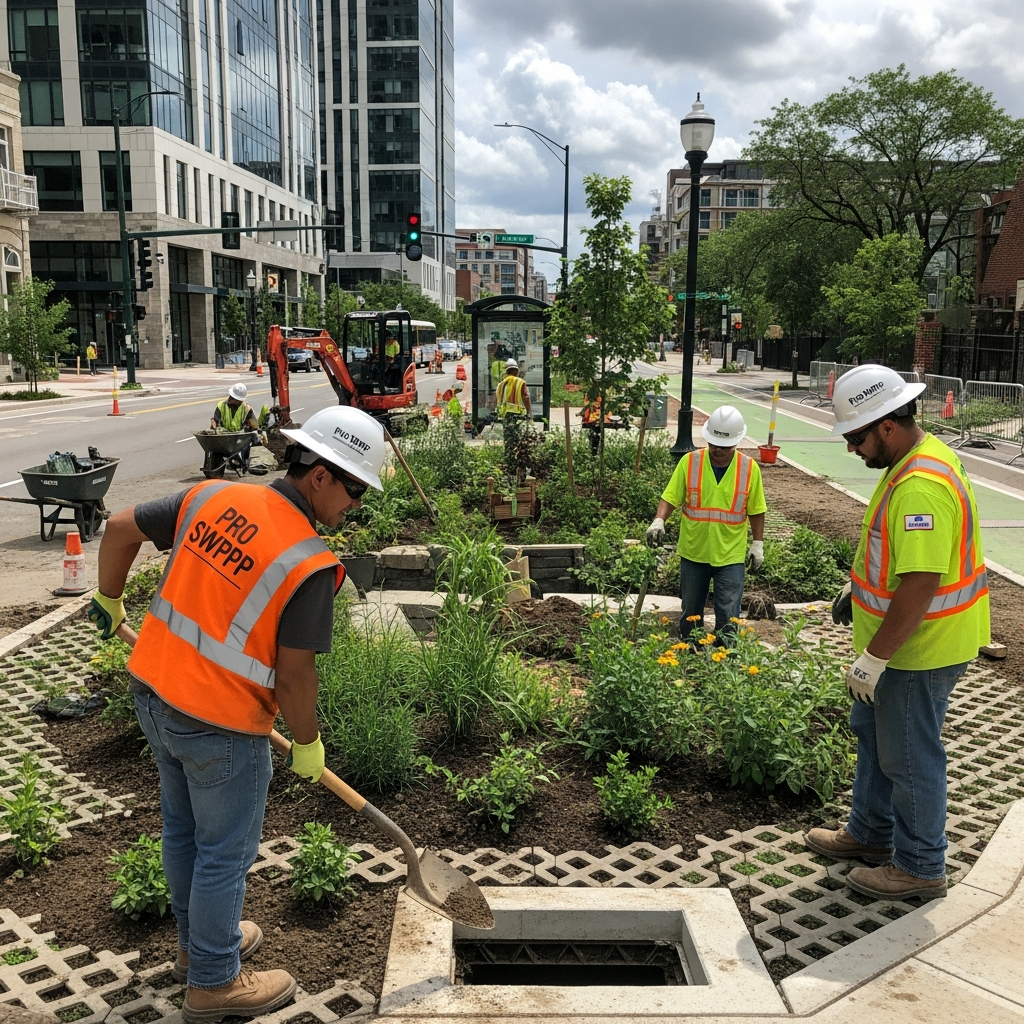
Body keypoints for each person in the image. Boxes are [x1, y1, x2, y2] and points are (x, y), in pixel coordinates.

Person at [85, 406, 385, 1024]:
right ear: (320, 475)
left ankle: (199, 953)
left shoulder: (212, 496)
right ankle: (216, 982)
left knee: (184, 834)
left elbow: (117, 529)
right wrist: (309, 742)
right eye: (354, 486)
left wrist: (109, 600)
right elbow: (295, 671)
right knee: (224, 852)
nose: (356, 502)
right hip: (220, 726)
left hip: (154, 695)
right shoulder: (306, 564)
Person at [805, 366, 990, 901]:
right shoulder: (913, 460)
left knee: (910, 758)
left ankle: (920, 867)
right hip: (900, 647)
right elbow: (899, 562)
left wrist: (875, 658)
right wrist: (856, 590)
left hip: (918, 651)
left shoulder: (920, 487)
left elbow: (920, 583)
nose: (850, 449)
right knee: (875, 738)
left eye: (855, 437)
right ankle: (870, 833)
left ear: (886, 425)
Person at [646, 405, 766, 642]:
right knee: (690, 610)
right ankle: (689, 651)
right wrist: (659, 519)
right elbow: (670, 496)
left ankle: (726, 657)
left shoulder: (749, 468)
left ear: (736, 442)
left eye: (723, 447)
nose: (717, 451)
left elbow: (756, 509)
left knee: (729, 613)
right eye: (713, 445)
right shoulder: (690, 462)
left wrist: (758, 544)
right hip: (694, 551)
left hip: (729, 555)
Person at [496, 358, 532, 479]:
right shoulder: (519, 382)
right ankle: (519, 467)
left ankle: (509, 467)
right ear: (516, 371)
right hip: (517, 416)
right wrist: (529, 412)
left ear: (506, 371)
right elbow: (525, 396)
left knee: (508, 442)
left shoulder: (501, 385)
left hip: (505, 417)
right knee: (519, 442)